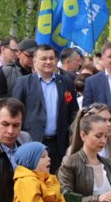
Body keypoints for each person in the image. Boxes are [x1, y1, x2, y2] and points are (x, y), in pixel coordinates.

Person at [12, 44, 79, 173]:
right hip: (32, 142)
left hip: (59, 143)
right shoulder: (23, 83)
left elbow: (73, 113)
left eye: (51, 58)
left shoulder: (66, 83)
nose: (48, 62)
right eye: (43, 59)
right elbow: (16, 113)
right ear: (34, 61)